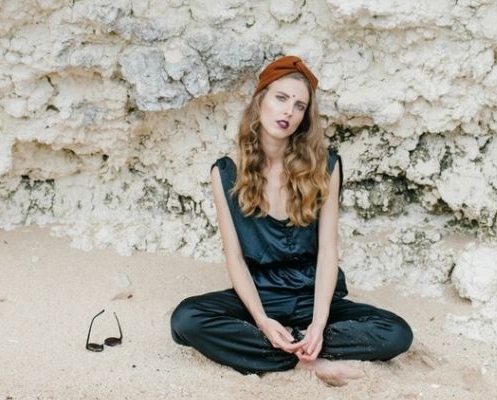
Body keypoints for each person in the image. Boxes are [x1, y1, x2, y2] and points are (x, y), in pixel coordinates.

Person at [170, 55, 413, 386]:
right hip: (260, 295)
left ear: (304, 118)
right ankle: (306, 361)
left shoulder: (326, 166)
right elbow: (235, 258)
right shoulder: (225, 173)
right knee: (186, 320)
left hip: (311, 295)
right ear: (260, 102)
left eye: (299, 106)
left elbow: (328, 251)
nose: (288, 111)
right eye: (281, 98)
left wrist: (318, 323)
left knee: (397, 333)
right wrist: (262, 320)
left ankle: (294, 343)